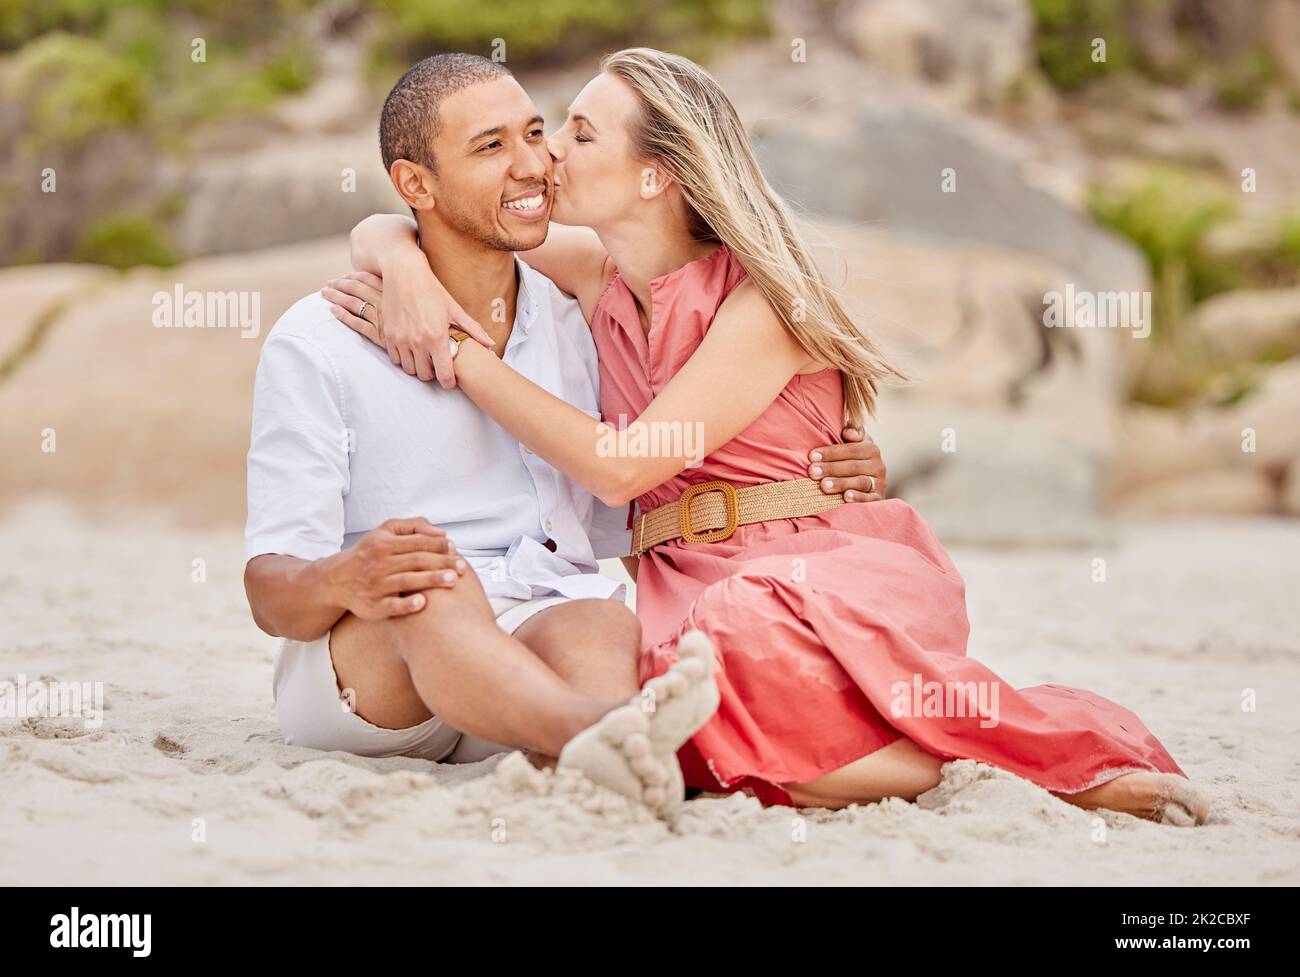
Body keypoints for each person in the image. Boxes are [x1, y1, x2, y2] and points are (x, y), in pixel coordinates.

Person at [329, 48, 1215, 825]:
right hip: (682, 579)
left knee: (729, 638)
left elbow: (618, 466)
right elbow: (401, 220)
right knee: (673, 711)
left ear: (656, 176)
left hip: (808, 566)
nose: (550, 151)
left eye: (581, 133)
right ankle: (944, 764)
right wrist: (398, 257)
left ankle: (1039, 772)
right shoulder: (601, 276)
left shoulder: (759, 304)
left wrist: (457, 353)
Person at [245, 53, 876, 819]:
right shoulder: (324, 338)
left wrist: (822, 470)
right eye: (490, 146)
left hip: (529, 638)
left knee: (601, 615)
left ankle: (592, 744)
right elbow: (270, 590)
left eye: (540, 133)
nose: (535, 164)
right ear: (417, 185)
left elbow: (657, 454)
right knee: (431, 578)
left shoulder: (581, 320)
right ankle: (601, 733)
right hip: (373, 680)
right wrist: (348, 577)